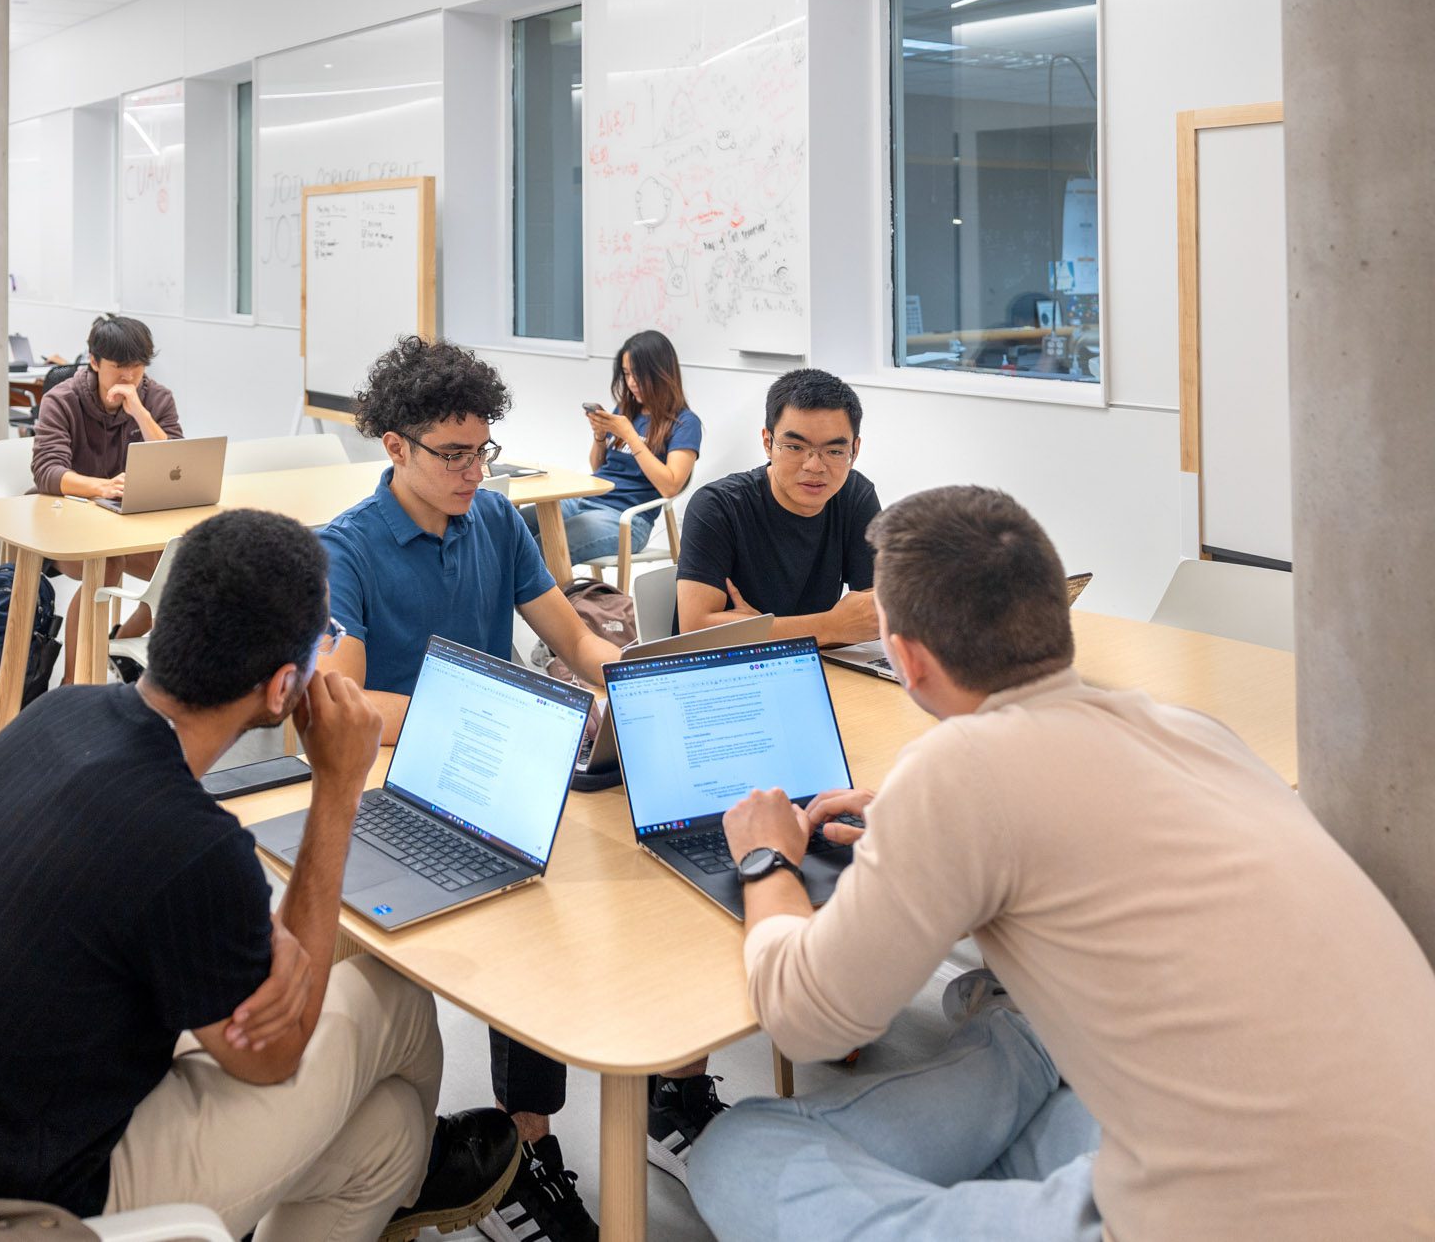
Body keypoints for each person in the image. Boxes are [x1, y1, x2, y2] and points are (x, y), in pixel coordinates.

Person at [692, 486, 1435, 1240]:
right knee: (1046, 1070)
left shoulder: (959, 770)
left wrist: (764, 855)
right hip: (1390, 1178)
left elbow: (806, 1023)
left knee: (741, 1151)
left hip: (1219, 1218)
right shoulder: (1193, 732)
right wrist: (919, 835)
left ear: (907, 660)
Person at [0, 510, 521, 1240]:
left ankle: (411, 1165)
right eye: (323, 642)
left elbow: (153, 907)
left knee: (386, 1135)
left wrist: (268, 950)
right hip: (26, 1205)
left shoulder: (55, 717)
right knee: (395, 999)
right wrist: (337, 787)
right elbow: (275, 1055)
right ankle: (423, 1169)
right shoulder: (193, 844)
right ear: (282, 690)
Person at [314, 335, 708, 1240]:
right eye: (450, 454)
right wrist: (475, 707)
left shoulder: (495, 519)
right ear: (394, 447)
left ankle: (527, 1143)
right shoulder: (348, 548)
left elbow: (573, 641)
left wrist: (634, 683)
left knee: (556, 913)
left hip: (497, 767)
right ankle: (412, 1165)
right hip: (394, 784)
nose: (470, 470)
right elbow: (344, 704)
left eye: (481, 449)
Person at [674, 367, 880, 641]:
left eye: (833, 451)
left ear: (854, 451)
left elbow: (877, 612)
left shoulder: (855, 496)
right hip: (725, 672)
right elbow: (696, 630)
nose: (814, 466)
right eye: (795, 447)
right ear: (768, 442)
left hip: (817, 665)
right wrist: (831, 626)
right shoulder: (717, 507)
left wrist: (760, 629)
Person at [31, 313, 180, 676]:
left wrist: (141, 414)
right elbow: (47, 472)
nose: (129, 377)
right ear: (95, 362)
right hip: (69, 523)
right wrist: (102, 486)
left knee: (186, 565)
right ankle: (74, 685)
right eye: (119, 367)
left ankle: (121, 648)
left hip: (130, 525)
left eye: (137, 366)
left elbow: (176, 463)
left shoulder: (156, 399)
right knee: (106, 563)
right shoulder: (62, 399)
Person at [523, 329, 701, 570]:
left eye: (638, 375)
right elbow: (599, 467)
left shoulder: (685, 423)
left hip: (625, 518)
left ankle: (557, 606)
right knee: (514, 527)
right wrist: (599, 436)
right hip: (586, 501)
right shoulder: (626, 409)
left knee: (546, 547)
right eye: (627, 374)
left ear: (661, 373)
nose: (631, 383)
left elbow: (670, 486)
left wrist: (631, 436)